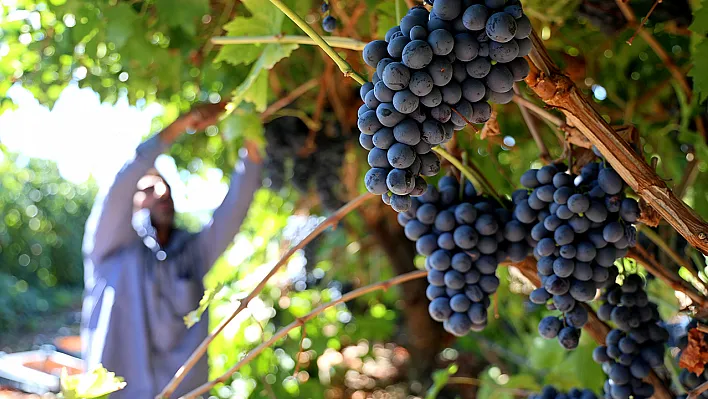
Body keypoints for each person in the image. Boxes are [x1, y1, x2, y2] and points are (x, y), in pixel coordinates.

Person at [80, 103, 263, 398]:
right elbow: (121, 185)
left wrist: (250, 128)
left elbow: (236, 207)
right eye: (149, 190)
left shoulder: (193, 253)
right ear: (133, 202)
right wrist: (178, 127)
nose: (163, 192)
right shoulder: (110, 249)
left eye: (166, 188)